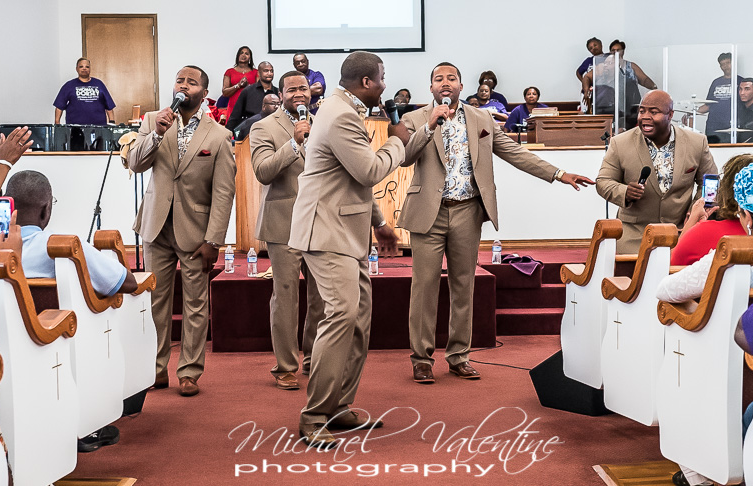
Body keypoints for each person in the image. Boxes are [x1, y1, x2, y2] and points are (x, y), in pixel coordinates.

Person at [400, 62, 594, 384]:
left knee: (464, 286)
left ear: (462, 86)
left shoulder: (482, 119)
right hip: (427, 213)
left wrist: (559, 174)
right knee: (424, 288)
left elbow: (515, 153)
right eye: (439, 79)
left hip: (467, 211)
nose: (445, 83)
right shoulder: (414, 118)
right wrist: (430, 126)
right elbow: (405, 157)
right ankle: (421, 359)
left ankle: (459, 356)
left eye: (451, 78)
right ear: (431, 87)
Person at [656, 160, 753, 486]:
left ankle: (703, 471)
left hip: (735, 366)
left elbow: (665, 290)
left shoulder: (731, 257)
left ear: (746, 217)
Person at [288, 51, 407, 447]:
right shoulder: (340, 114)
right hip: (326, 231)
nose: (385, 84)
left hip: (346, 229)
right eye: (382, 77)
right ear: (368, 82)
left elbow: (350, 180)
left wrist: (379, 223)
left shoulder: (342, 108)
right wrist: (398, 142)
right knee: (341, 314)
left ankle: (339, 406)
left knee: (358, 320)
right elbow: (369, 171)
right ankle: (314, 416)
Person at [6, 170, 139, 453]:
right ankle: (88, 421)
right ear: (46, 210)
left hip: (2, 345)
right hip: (53, 343)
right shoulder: (63, 247)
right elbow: (126, 283)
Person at [128, 65, 236, 397]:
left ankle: (189, 371)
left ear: (204, 94)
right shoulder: (152, 121)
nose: (183, 85)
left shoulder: (219, 136)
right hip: (156, 227)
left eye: (192, 82)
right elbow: (135, 163)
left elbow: (223, 193)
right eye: (179, 80)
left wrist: (214, 240)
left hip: (196, 232)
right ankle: (156, 368)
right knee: (156, 302)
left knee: (195, 304)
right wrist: (157, 134)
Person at [250, 70, 324, 390]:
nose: (298, 93)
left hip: (320, 222)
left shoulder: (323, 124)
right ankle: (285, 365)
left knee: (320, 297)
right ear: (281, 95)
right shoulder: (263, 127)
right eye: (291, 89)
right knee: (286, 296)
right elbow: (263, 171)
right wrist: (295, 142)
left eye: (302, 88)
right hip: (284, 223)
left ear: (311, 92)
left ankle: (313, 357)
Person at [596, 90, 717, 253]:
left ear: (670, 115)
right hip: (633, 235)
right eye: (642, 111)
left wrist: (695, 210)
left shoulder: (697, 142)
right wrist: (624, 192)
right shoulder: (620, 143)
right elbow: (603, 181)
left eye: (653, 112)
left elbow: (710, 182)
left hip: (681, 233)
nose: (645, 117)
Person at [583, 40, 657, 129]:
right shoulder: (604, 66)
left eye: (618, 50)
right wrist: (586, 91)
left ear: (623, 52)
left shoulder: (629, 70)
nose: (615, 53)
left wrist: (654, 89)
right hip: (607, 111)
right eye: (613, 50)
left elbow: (644, 80)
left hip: (626, 112)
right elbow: (587, 77)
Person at [54, 58, 116, 125]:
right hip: (75, 128)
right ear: (77, 69)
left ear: (90, 69)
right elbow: (59, 106)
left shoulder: (99, 84)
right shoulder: (69, 85)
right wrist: (57, 123)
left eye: (87, 67)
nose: (84, 69)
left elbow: (109, 106)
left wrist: (112, 123)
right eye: (81, 67)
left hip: (98, 127)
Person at [697, 53, 744, 143]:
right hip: (713, 127)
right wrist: (692, 113)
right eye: (722, 64)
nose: (725, 66)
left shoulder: (741, 81)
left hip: (732, 126)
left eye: (728, 63)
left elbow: (747, 104)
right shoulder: (716, 82)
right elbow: (708, 105)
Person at [226, 61, 278, 131]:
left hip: (272, 129)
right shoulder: (248, 91)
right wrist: (228, 133)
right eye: (266, 71)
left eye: (271, 71)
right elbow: (235, 115)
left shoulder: (278, 92)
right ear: (259, 73)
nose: (269, 73)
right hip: (250, 130)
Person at [221, 46, 259, 122]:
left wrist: (248, 86)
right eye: (241, 53)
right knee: (232, 128)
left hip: (250, 108)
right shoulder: (229, 72)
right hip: (233, 108)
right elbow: (225, 92)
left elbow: (259, 92)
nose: (243, 55)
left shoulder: (256, 72)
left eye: (246, 54)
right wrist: (238, 85)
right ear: (237, 55)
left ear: (250, 57)